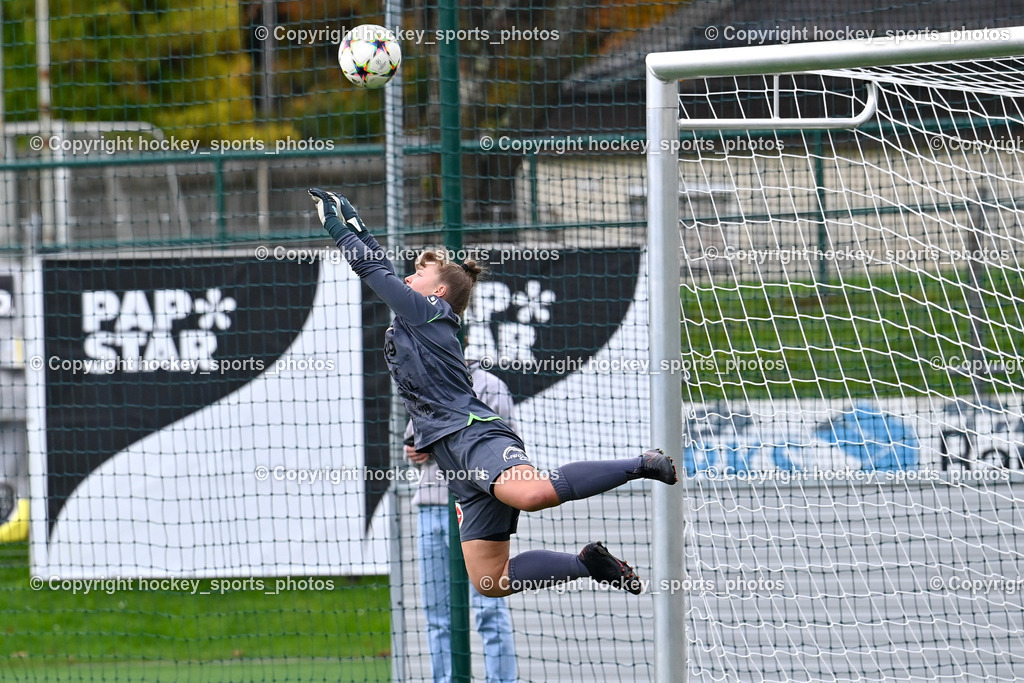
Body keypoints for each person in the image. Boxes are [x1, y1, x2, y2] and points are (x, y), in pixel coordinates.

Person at [308, 188, 677, 599]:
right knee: (491, 581)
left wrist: (337, 228)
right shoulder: (416, 316)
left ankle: (642, 463)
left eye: (417, 276)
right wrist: (356, 221)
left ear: (439, 293)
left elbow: (373, 270)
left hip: (474, 434)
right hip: (451, 454)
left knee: (533, 492)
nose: (407, 278)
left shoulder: (428, 313)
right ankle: (586, 562)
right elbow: (380, 265)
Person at [405, 356, 517, 683]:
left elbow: (509, 449)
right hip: (431, 508)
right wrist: (415, 452)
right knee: (437, 615)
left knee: (489, 609)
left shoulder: (491, 387)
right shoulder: (423, 382)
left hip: (475, 511)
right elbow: (412, 447)